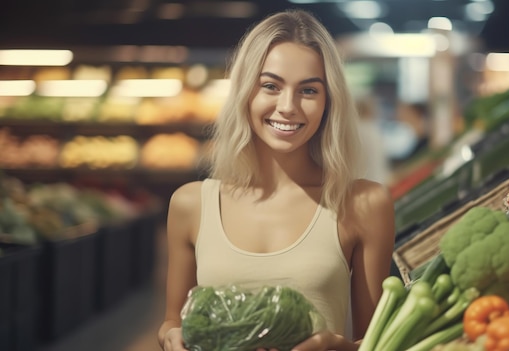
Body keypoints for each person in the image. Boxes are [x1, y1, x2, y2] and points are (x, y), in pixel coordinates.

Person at [157, 9, 396, 351]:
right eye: (270, 86)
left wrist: (336, 346)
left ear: (329, 102)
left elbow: (378, 344)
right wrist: (170, 336)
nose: (288, 106)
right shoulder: (191, 203)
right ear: (245, 92)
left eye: (309, 91)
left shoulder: (362, 203)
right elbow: (172, 321)